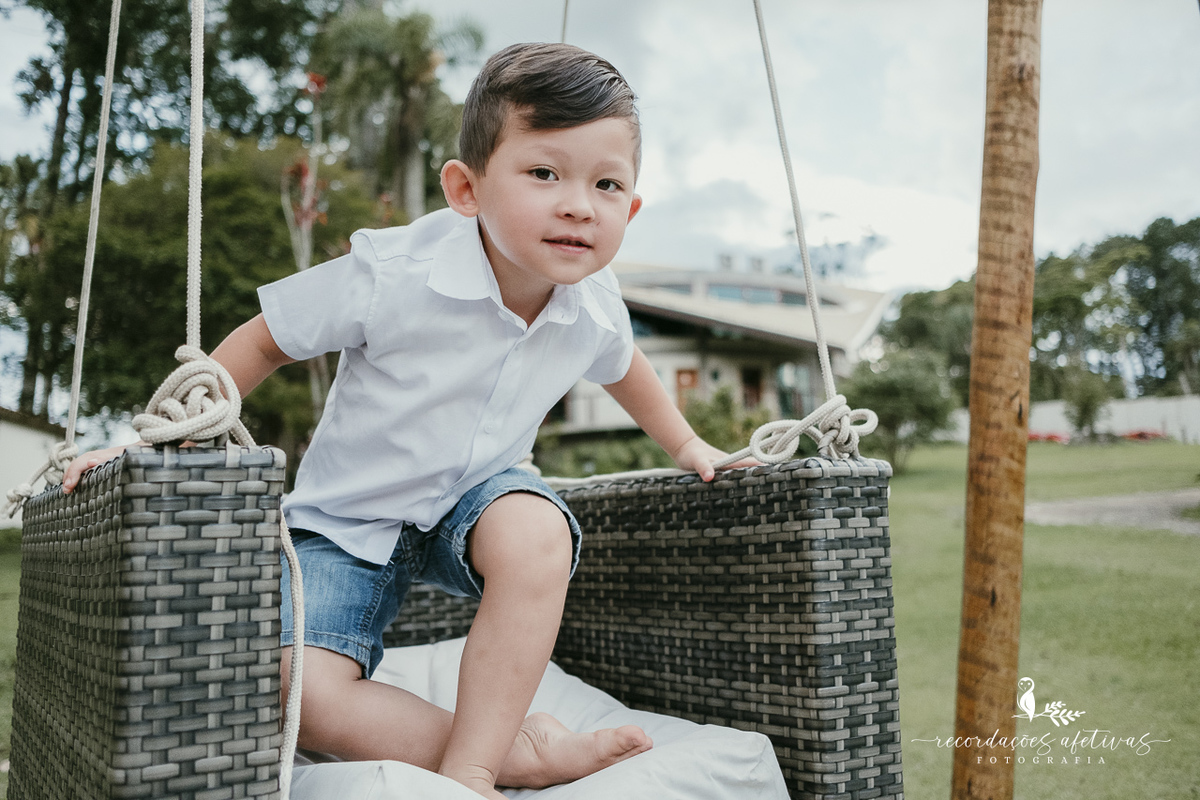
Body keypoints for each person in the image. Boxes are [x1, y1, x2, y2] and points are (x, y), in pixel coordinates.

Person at [64, 42, 746, 799]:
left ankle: (473, 774)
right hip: (348, 521)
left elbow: (629, 372)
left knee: (539, 531)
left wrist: (688, 443)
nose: (579, 204)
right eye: (544, 173)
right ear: (467, 189)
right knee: (295, 684)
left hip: (476, 502)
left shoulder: (595, 303)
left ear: (631, 207)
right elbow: (263, 338)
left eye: (607, 184)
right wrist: (149, 438)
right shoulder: (393, 273)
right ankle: (519, 756)